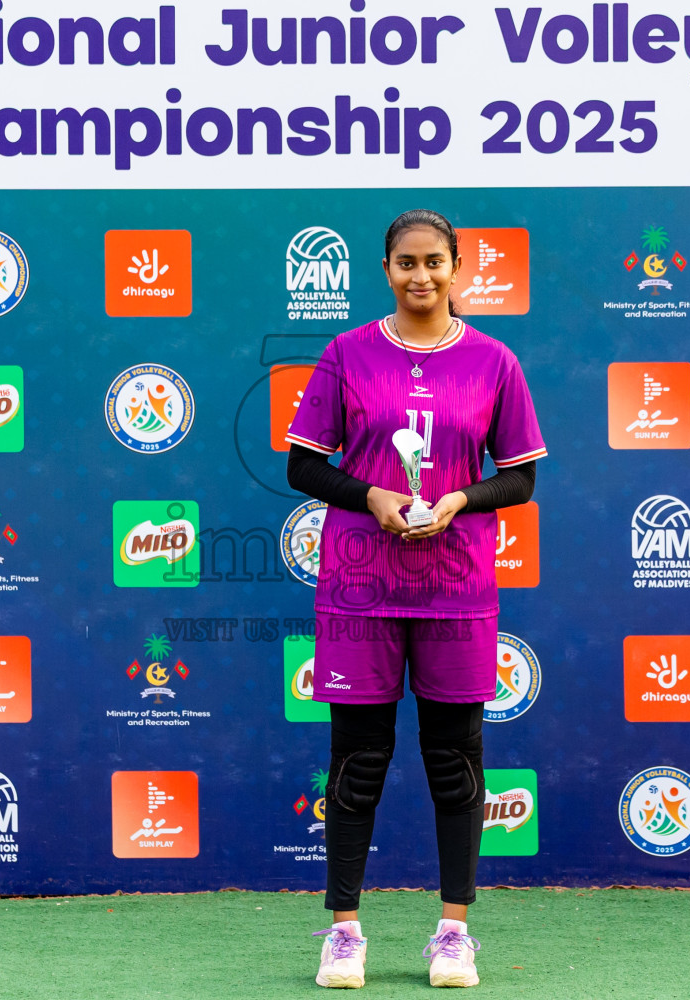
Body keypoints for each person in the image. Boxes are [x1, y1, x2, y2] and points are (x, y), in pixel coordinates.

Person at [286, 209, 545, 988]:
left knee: (455, 759)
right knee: (357, 760)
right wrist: (371, 495)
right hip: (361, 590)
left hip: (457, 591)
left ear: (458, 267)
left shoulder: (494, 361)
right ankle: (344, 934)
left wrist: (461, 499)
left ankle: (453, 934)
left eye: (435, 261)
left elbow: (522, 477)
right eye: (406, 262)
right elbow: (304, 466)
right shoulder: (346, 354)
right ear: (387, 268)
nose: (421, 275)